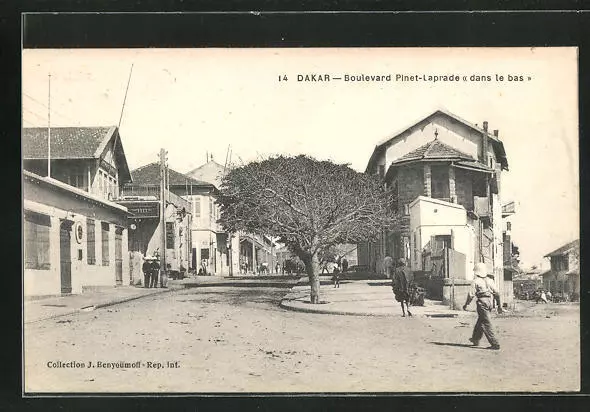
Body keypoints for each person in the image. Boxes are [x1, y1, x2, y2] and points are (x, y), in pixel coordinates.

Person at [463, 263, 502, 350]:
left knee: (486, 322)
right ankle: (475, 339)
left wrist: (466, 304)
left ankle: (495, 343)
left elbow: (471, 295)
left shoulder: (475, 281)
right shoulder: (490, 280)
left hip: (482, 302)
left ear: (477, 272)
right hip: (490, 302)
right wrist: (499, 306)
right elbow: (497, 293)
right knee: (481, 320)